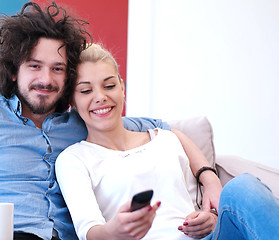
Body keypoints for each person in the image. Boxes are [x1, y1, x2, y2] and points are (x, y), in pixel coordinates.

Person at [0, 2, 219, 240]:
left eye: (57, 69)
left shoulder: (85, 121)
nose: (46, 80)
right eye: (34, 66)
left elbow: (168, 130)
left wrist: (208, 177)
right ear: (13, 70)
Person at [55, 43, 279, 240]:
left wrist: (209, 217)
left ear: (123, 88)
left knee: (243, 186)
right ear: (72, 102)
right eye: (85, 90)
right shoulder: (73, 159)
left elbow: (197, 204)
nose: (100, 97)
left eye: (109, 85)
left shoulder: (165, 140)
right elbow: (90, 232)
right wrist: (117, 230)